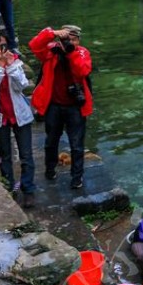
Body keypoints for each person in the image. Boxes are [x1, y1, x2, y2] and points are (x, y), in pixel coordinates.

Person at [30, 24, 93, 190]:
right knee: (51, 141)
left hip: (75, 107)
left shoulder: (82, 52)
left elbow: (82, 71)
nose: (69, 42)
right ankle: (50, 169)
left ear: (78, 40)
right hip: (54, 105)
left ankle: (76, 177)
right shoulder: (52, 50)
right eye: (67, 39)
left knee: (77, 144)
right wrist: (52, 33)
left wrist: (70, 51)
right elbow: (34, 45)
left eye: (73, 39)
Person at [0, 32, 37, 208]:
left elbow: (22, 85)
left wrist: (10, 66)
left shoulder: (15, 61)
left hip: (19, 114)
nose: (0, 49)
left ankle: (28, 189)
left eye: (3, 45)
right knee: (5, 156)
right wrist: (0, 67)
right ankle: (10, 187)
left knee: (26, 155)